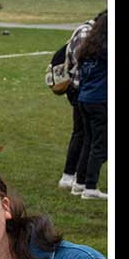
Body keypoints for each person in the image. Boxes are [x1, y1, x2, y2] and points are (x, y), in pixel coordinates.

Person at [71, 10, 108, 199]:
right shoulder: (106, 51)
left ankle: (79, 182)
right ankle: (91, 187)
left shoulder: (87, 49)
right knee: (100, 145)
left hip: (84, 99)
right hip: (100, 100)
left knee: (88, 142)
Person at [55, 15, 92, 191]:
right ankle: (69, 176)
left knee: (85, 134)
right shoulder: (86, 32)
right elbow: (83, 62)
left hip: (87, 90)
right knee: (81, 134)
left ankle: (77, 175)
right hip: (81, 90)